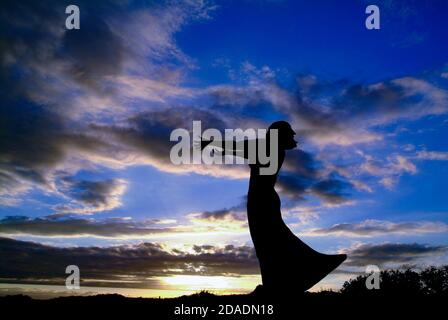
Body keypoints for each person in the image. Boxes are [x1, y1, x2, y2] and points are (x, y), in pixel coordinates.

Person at [200, 121, 346, 295]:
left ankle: (295, 274)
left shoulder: (266, 147)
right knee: (271, 241)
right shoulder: (274, 149)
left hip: (261, 200)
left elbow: (235, 147)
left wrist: (211, 143)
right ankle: (280, 281)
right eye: (290, 134)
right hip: (264, 198)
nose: (293, 137)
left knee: (269, 241)